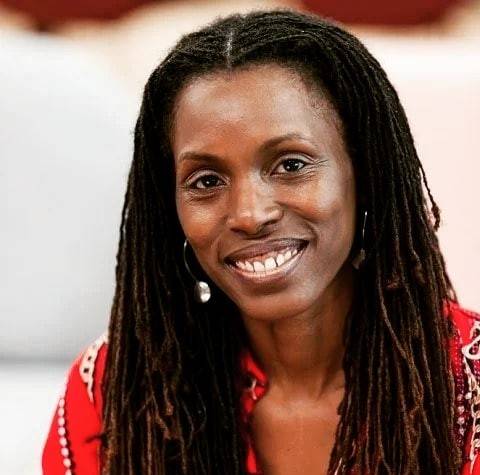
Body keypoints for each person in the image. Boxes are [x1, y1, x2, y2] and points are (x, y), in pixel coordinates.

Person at [42, 8, 480, 475]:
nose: (250, 214)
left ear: (365, 174)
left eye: (291, 165)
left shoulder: (470, 391)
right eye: (206, 180)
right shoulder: (115, 391)